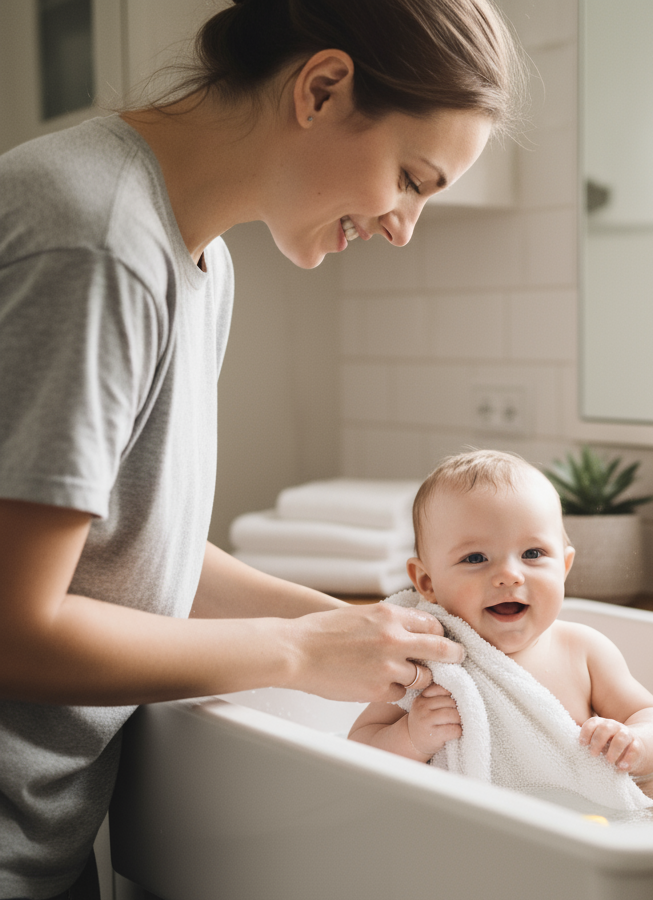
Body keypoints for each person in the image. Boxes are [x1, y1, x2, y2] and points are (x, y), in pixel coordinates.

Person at [0, 1, 527, 897]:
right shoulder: (96, 241)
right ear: (321, 89)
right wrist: (295, 651)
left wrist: (362, 630)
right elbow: (14, 624)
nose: (404, 226)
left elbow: (130, 549)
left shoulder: (198, 260)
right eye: (410, 176)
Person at [348, 450, 653, 784]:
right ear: (426, 582)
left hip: (582, 818)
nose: (509, 575)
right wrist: (411, 737)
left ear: (563, 568)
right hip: (483, 819)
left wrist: (635, 742)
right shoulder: (425, 660)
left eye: (532, 554)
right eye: (476, 558)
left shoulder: (583, 650)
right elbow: (358, 747)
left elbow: (651, 716)